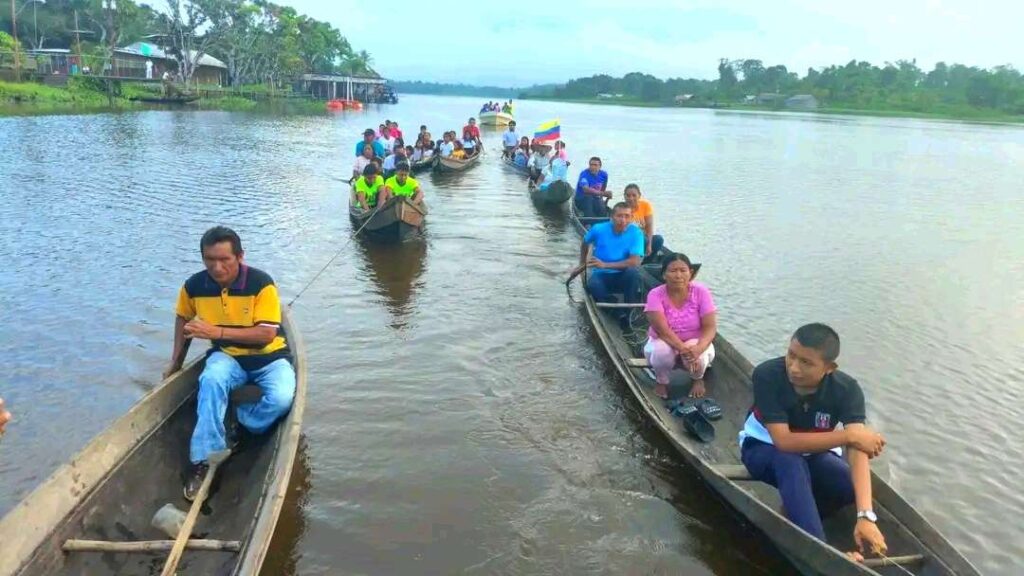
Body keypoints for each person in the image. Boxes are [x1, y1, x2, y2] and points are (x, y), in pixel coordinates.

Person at [165, 226, 295, 501]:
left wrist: (217, 333)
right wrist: (176, 362)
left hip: (270, 357)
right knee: (210, 381)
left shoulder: (261, 284)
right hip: (228, 356)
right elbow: (183, 319)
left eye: (225, 259)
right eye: (210, 259)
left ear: (240, 257)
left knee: (282, 399)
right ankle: (205, 458)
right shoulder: (194, 286)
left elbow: (266, 334)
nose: (217, 267)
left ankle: (243, 424)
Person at [739, 324, 888, 562]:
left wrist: (865, 516)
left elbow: (859, 448)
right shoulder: (767, 374)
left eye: (806, 362)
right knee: (790, 462)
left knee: (850, 486)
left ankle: (795, 514)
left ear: (829, 368)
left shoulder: (847, 390)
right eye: (791, 355)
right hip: (763, 448)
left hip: (814, 454)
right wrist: (848, 436)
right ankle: (822, 550)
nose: (794, 367)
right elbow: (784, 442)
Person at [643, 253, 717, 399]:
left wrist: (698, 348)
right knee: (661, 352)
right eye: (673, 271)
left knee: (700, 354)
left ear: (691, 273)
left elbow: (710, 327)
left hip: (694, 340)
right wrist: (683, 349)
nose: (678, 276)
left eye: (683, 271)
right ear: (664, 275)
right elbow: (662, 331)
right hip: (664, 340)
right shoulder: (655, 295)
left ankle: (698, 378)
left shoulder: (701, 292)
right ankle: (661, 381)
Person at [579, 202, 644, 329]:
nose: (623, 220)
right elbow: (585, 242)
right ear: (612, 217)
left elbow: (634, 261)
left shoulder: (636, 233)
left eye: (627, 216)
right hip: (601, 275)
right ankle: (617, 312)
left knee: (633, 272)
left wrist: (605, 265)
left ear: (631, 218)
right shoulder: (599, 229)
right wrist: (582, 263)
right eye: (619, 216)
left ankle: (629, 310)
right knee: (593, 285)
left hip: (623, 274)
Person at [623, 184, 664, 261]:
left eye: (634, 195)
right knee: (643, 239)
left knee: (659, 239)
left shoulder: (645, 205)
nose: (631, 198)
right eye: (628, 196)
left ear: (639, 195)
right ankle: (634, 260)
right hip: (628, 242)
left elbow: (649, 227)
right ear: (624, 196)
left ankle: (648, 260)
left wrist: (649, 245)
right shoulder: (622, 209)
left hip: (643, 239)